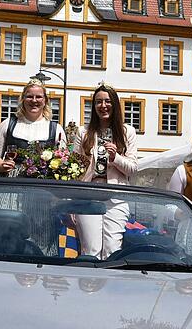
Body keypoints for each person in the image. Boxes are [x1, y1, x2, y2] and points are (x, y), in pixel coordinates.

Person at [73, 83, 138, 258]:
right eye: (98, 102)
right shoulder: (83, 132)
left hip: (116, 197)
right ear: (93, 107)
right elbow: (73, 171)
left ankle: (109, 284)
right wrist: (72, 202)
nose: (103, 106)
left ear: (115, 104)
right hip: (88, 196)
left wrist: (115, 158)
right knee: (91, 250)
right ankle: (88, 284)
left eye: (107, 101)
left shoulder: (127, 132)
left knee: (112, 251)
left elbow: (132, 169)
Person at [0, 79, 66, 175]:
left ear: (45, 100)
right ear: (23, 99)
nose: (34, 100)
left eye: (39, 97)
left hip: (41, 184)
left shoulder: (56, 129)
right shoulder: (8, 124)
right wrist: (1, 165)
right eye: (29, 97)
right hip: (9, 182)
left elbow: (64, 159)